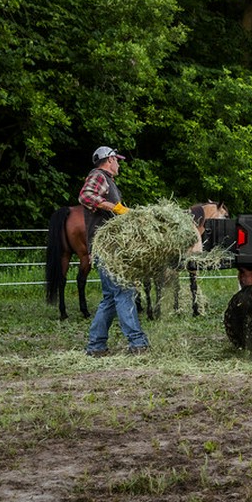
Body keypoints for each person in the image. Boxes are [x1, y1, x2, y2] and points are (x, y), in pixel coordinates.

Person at [79, 146, 149, 357]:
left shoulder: (108, 181)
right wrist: (115, 208)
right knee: (124, 291)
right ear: (109, 160)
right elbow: (85, 196)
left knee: (110, 298)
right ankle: (137, 343)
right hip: (107, 249)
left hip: (108, 248)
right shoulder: (98, 176)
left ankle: (96, 346)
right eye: (116, 160)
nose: (118, 164)